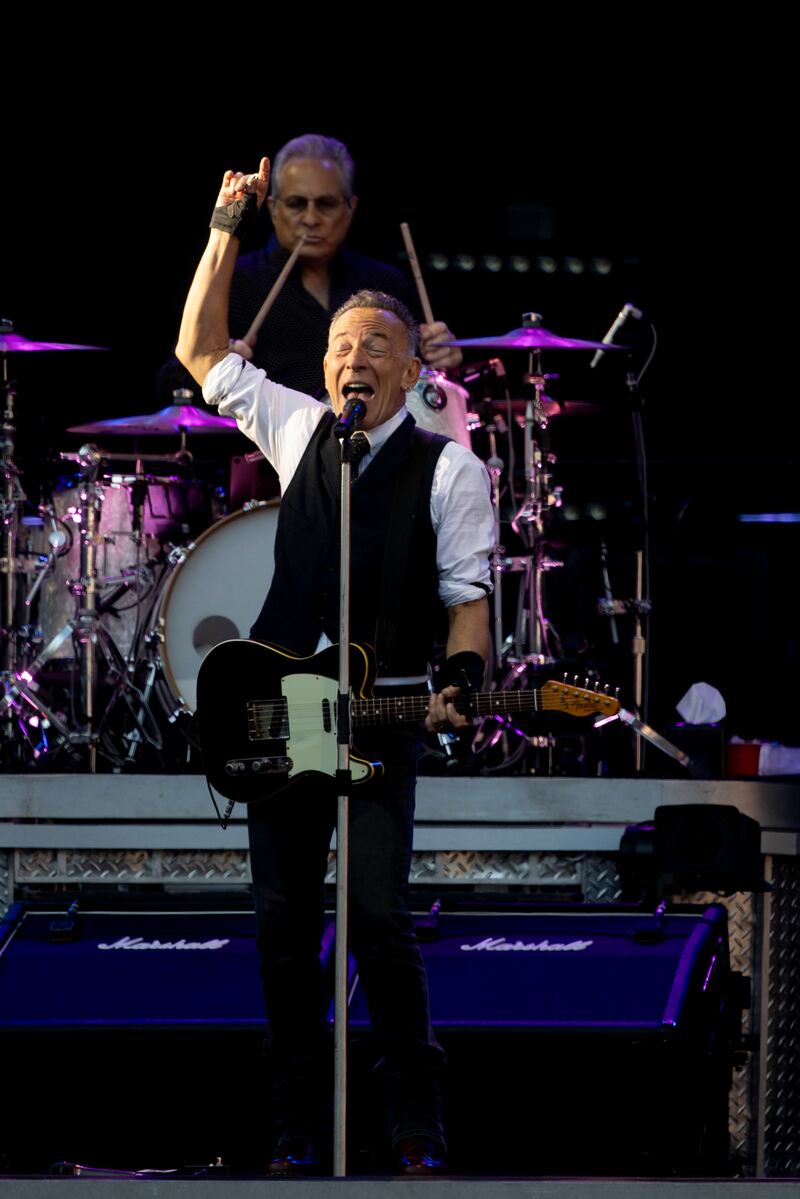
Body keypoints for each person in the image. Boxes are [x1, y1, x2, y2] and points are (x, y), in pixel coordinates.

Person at [176, 157, 492, 1177]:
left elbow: (467, 601)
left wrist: (461, 683)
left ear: (410, 373)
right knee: (280, 926)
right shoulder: (303, 427)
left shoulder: (451, 467)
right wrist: (226, 228)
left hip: (382, 717)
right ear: (324, 369)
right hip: (281, 714)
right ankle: (291, 1118)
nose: (355, 359)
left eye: (377, 348)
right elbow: (198, 352)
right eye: (342, 346)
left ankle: (412, 1110)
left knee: (375, 917)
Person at [227, 132, 462, 396]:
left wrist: (442, 362)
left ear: (350, 208)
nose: (311, 218)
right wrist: (218, 367)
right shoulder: (235, 284)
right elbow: (177, 385)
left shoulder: (386, 284)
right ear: (273, 208)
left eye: (325, 204)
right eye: (297, 204)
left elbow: (420, 385)